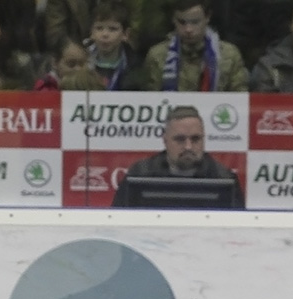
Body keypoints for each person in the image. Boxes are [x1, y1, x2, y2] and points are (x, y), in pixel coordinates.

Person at [112, 105, 246, 209]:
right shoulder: (140, 174)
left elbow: (237, 230)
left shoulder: (223, 178)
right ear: (165, 140)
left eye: (195, 139)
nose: (188, 146)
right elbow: (117, 224)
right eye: (180, 139)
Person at [141, 0, 249, 91]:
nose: (188, 29)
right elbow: (149, 99)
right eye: (182, 22)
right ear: (173, 19)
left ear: (207, 17)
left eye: (195, 22)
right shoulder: (157, 55)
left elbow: (240, 100)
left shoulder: (229, 55)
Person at [85, 0, 144, 91]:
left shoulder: (135, 66)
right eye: (99, 28)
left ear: (125, 34)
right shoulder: (81, 61)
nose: (105, 34)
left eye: (112, 29)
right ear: (91, 32)